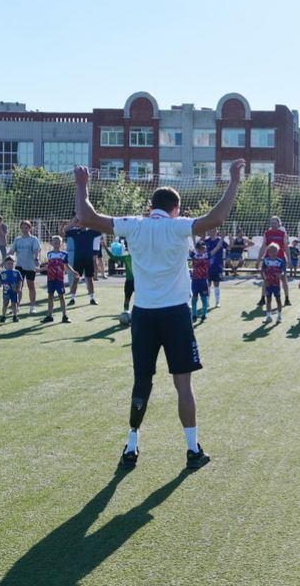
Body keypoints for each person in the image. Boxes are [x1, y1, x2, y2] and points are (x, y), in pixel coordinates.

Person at [73, 159, 244, 471]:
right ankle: (193, 450)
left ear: (150, 205)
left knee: (142, 383)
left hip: (144, 316)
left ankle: (131, 446)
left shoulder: (133, 224)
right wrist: (233, 182)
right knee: (183, 385)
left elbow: (85, 216)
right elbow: (216, 218)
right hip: (176, 316)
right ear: (176, 209)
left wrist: (82, 185)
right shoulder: (177, 227)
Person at [257, 217, 293, 307]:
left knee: (283, 278)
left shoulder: (282, 233)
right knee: (266, 278)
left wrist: (289, 260)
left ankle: (287, 298)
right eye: (272, 222)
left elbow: (286, 247)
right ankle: (262, 298)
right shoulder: (267, 233)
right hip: (268, 259)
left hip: (280, 259)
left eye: (275, 222)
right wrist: (258, 259)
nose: (273, 224)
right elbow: (263, 247)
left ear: (279, 223)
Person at [65, 218, 100, 306]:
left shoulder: (91, 232)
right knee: (76, 278)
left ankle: (92, 298)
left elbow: (100, 229)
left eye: (84, 223)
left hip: (88, 260)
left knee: (89, 279)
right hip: (78, 260)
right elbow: (64, 232)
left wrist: (91, 219)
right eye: (80, 223)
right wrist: (73, 222)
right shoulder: (74, 232)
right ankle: (72, 298)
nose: (82, 224)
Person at [40, 235, 75, 323]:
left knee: (61, 297)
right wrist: (39, 269)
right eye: (54, 242)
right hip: (51, 278)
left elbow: (66, 265)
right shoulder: (49, 254)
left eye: (58, 242)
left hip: (59, 279)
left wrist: (73, 272)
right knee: (50, 296)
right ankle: (49, 315)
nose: (56, 244)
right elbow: (49, 266)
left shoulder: (64, 254)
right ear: (51, 243)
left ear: (61, 243)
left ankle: (64, 316)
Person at [11, 220, 43, 314]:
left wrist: (36, 259)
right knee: (18, 287)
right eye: (22, 228)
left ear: (30, 228)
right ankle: (16, 306)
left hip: (30, 267)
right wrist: (4, 260)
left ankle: (32, 307)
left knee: (31, 286)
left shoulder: (34, 239)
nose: (24, 229)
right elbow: (12, 251)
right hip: (19, 266)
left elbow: (36, 251)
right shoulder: (17, 239)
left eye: (26, 227)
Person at [259, 242, 287, 324]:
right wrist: (265, 280)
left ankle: (279, 316)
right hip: (268, 284)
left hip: (276, 284)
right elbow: (262, 271)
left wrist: (281, 275)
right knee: (268, 300)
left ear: (277, 251)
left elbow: (284, 272)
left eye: (275, 251)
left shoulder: (280, 261)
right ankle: (268, 316)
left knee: (278, 299)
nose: (273, 253)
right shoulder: (265, 261)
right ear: (268, 251)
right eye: (271, 251)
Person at [189, 239, 211, 322]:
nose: (202, 249)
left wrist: (222, 239)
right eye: (200, 248)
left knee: (204, 298)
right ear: (197, 249)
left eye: (203, 248)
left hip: (203, 281)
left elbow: (216, 248)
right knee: (194, 298)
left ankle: (204, 314)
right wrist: (193, 236)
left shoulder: (207, 255)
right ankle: (194, 314)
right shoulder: (193, 255)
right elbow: (189, 248)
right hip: (195, 281)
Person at [204, 230, 227, 308]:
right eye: (211, 230)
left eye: (214, 230)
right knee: (207, 285)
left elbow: (229, 247)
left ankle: (217, 302)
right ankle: (207, 302)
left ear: (216, 232)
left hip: (217, 266)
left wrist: (230, 239)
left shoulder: (220, 240)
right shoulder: (205, 241)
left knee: (216, 285)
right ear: (208, 232)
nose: (212, 232)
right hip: (207, 267)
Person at [0, 256, 24, 323]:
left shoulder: (17, 272)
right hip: (6, 292)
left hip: (14, 292)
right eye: (8, 263)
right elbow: (0, 281)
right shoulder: (3, 273)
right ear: (5, 265)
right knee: (5, 304)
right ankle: (3, 316)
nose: (10, 265)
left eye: (12, 263)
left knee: (14, 304)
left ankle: (15, 316)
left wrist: (19, 288)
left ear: (14, 264)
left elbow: (20, 281)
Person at [119, 238, 135, 313]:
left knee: (139, 298)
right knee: (127, 298)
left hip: (139, 281)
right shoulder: (126, 257)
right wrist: (105, 247)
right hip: (129, 282)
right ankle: (126, 312)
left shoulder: (139, 257)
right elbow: (113, 257)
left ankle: (134, 313)